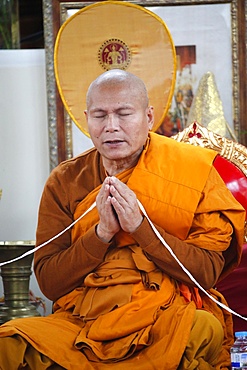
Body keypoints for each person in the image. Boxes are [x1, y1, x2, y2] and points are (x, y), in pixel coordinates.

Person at [0, 69, 245, 369]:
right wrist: (101, 234)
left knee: (202, 329)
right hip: (85, 321)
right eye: (100, 116)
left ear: (149, 117)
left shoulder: (192, 172)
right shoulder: (65, 181)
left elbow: (206, 272)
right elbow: (50, 283)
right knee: (9, 343)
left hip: (164, 317)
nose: (111, 127)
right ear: (87, 118)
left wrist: (141, 228)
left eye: (124, 114)